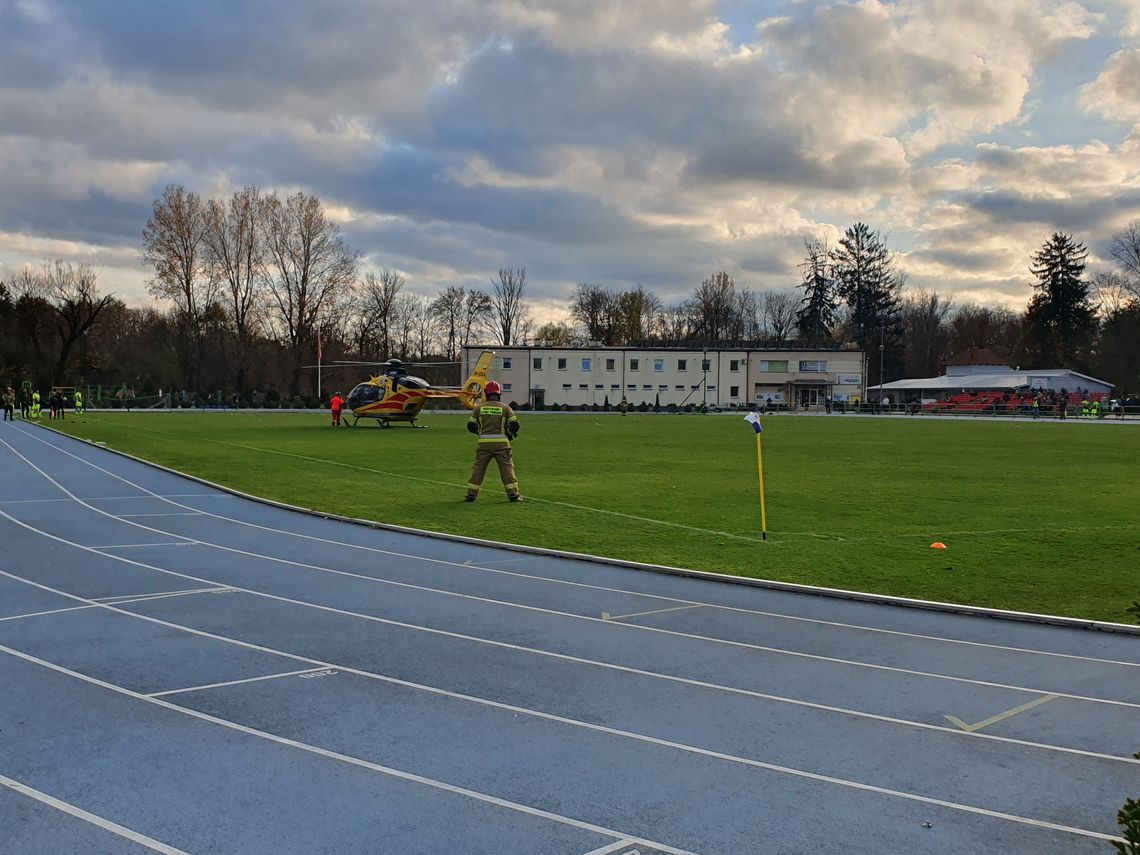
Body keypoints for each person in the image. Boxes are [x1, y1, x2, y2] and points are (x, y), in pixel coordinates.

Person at [464, 380, 521, 502]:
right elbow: (515, 424)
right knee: (507, 469)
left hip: (484, 444)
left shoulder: (479, 408)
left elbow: (471, 426)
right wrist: (510, 432)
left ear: (486, 393)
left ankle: (471, 495)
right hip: (502, 445)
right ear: (499, 393)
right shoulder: (506, 408)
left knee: (478, 469)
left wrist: (479, 432)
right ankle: (513, 495)